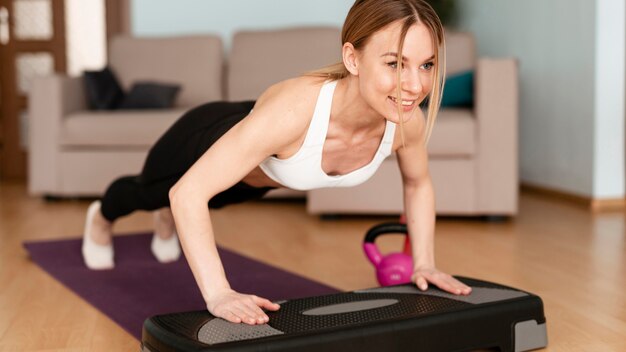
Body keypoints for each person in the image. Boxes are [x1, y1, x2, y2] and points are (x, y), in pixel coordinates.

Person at [82, 0, 473, 326]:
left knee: (217, 199)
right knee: (146, 193)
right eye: (394, 63)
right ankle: (101, 216)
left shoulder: (407, 122)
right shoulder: (294, 112)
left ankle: (167, 218)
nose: (416, 86)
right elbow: (188, 191)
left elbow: (418, 183)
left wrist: (424, 263)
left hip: (258, 179)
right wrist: (219, 293)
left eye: (426, 65)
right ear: (352, 59)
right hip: (207, 135)